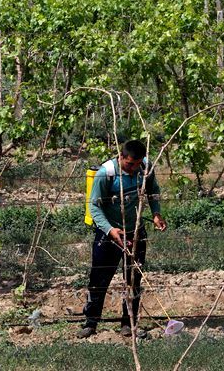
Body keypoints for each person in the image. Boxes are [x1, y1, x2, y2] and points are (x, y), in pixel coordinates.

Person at [77, 139, 167, 338]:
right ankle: (91, 323)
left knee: (133, 279)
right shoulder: (105, 173)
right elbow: (94, 207)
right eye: (129, 164)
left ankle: (129, 324)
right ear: (121, 157)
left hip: (136, 232)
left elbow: (153, 191)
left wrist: (156, 214)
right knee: (99, 279)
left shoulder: (145, 168)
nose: (134, 168)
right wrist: (110, 230)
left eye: (137, 164)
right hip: (108, 233)